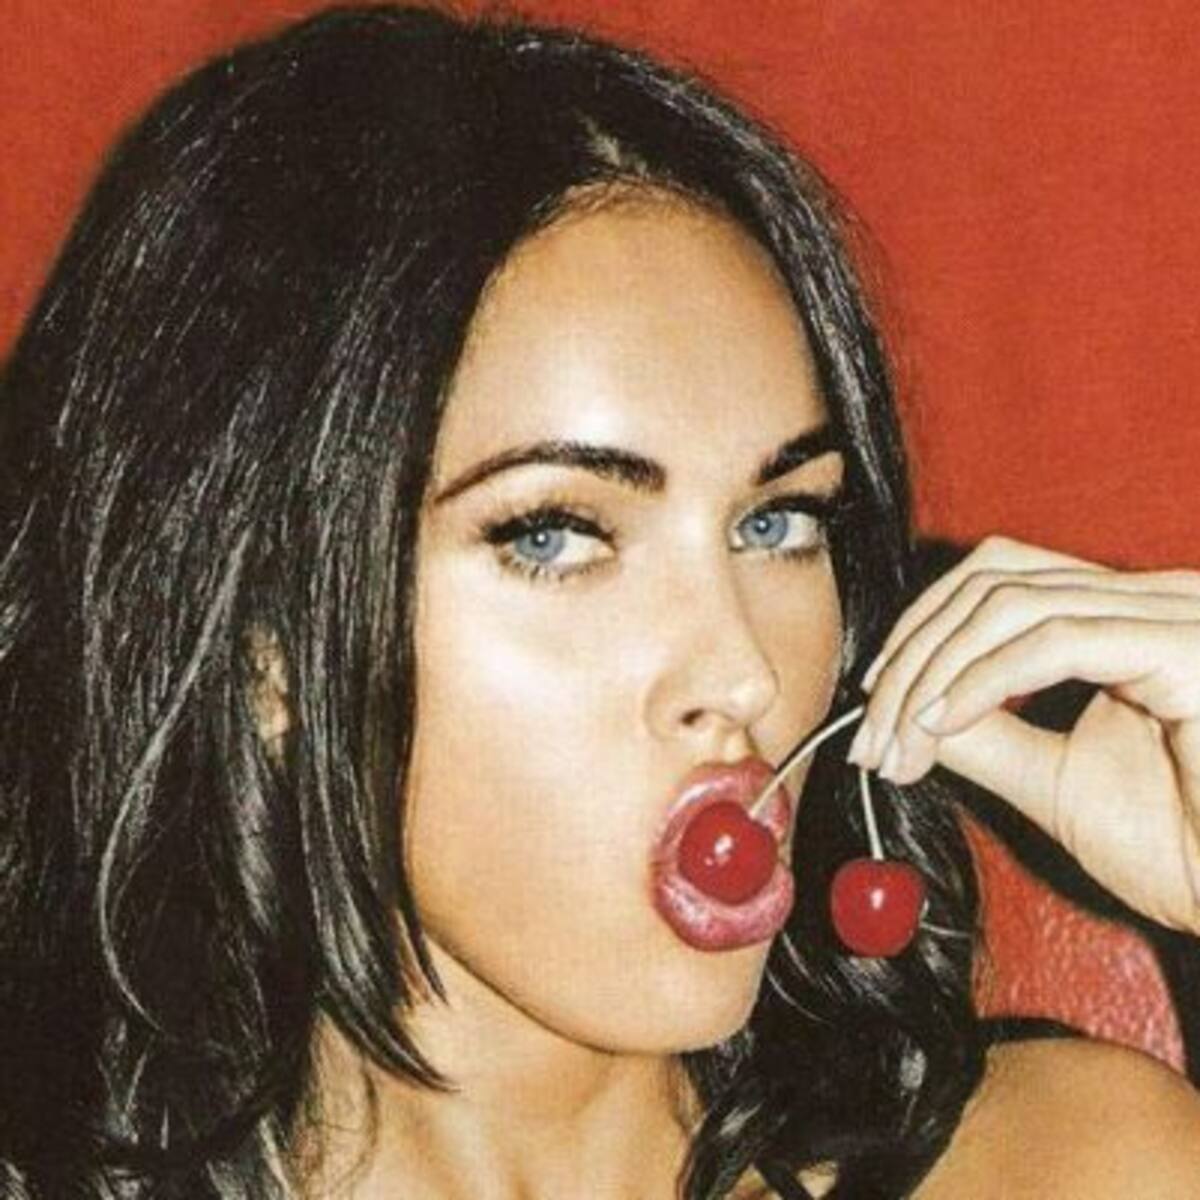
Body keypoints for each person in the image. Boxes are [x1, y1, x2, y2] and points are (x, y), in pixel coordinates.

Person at [0, 6, 1196, 1198]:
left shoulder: (1078, 1165)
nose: (746, 673)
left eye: (777, 522)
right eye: (557, 535)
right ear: (264, 647)